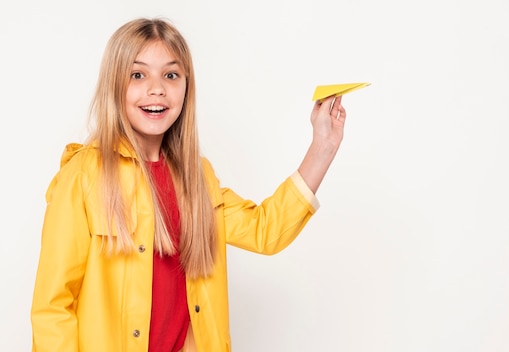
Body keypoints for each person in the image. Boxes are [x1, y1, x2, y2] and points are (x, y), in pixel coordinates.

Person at [30, 17, 347, 352]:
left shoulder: (197, 178)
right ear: (114, 85)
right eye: (138, 74)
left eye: (171, 75)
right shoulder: (83, 176)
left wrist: (323, 145)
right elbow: (53, 306)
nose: (157, 88)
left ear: (186, 86)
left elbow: (264, 231)